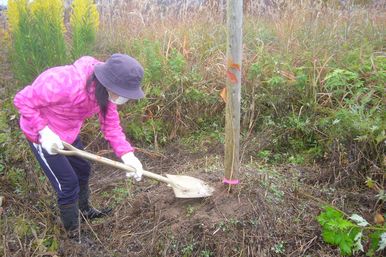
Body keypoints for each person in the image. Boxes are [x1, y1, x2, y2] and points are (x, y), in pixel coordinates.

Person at [13, 53, 145, 240]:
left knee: (83, 169)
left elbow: (111, 126)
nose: (125, 99)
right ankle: (73, 235)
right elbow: (22, 100)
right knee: (68, 183)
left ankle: (84, 211)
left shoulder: (105, 93)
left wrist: (128, 155)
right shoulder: (65, 83)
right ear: (109, 83)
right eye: (123, 94)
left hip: (68, 134)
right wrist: (44, 131)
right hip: (43, 137)